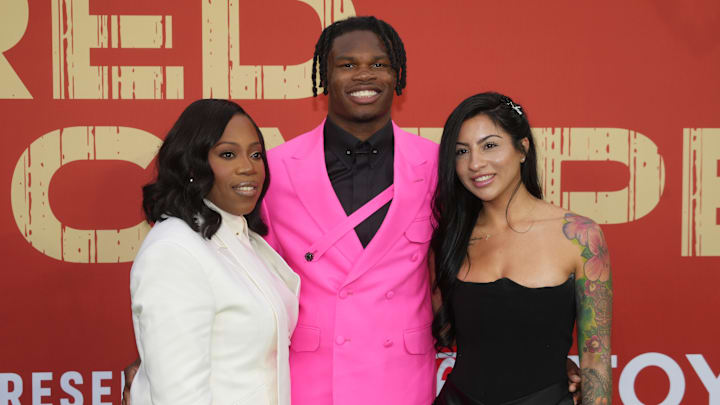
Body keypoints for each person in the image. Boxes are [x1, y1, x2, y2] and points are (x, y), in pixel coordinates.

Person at [124, 17, 583, 405]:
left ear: (397, 75)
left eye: (379, 64)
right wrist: (163, 353)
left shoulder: (438, 164)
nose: (364, 76)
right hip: (307, 380)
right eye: (347, 65)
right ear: (324, 78)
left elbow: (479, 255)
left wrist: (525, 353)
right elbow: (229, 259)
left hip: (401, 378)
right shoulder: (271, 168)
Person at [431, 92, 612, 405]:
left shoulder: (580, 236)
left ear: (523, 149)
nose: (475, 163)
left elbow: (596, 358)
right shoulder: (448, 240)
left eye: (489, 145)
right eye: (462, 151)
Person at [128, 99, 299, 405]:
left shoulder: (240, 239)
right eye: (228, 154)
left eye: (256, 154)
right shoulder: (174, 251)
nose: (249, 167)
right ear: (192, 165)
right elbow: (179, 396)